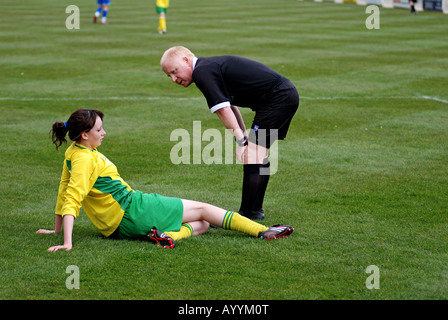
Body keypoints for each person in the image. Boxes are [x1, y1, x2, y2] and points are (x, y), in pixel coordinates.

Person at [36, 109, 293, 251]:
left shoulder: (74, 152)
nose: (104, 133)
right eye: (99, 129)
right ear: (83, 135)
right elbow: (72, 196)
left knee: (203, 222)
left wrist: (57, 229)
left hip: (115, 228)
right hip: (134, 210)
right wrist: (67, 243)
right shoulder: (84, 159)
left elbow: (63, 190)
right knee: (204, 208)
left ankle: (169, 236)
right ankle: (262, 231)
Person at [160, 46, 299, 220]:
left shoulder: (201, 72)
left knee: (253, 154)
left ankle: (248, 214)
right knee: (258, 154)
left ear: (186, 61)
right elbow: (230, 106)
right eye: (169, 76)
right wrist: (243, 136)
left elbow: (223, 110)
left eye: (174, 71)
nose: (173, 79)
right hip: (282, 96)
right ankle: (254, 210)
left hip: (277, 98)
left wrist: (241, 143)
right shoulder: (206, 67)